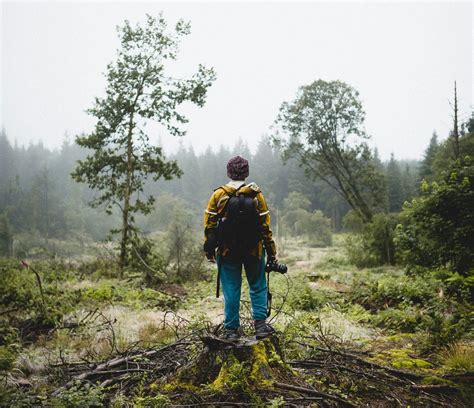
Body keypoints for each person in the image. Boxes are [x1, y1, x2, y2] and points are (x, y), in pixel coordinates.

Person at [203, 155, 278, 340]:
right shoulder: (256, 194)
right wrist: (272, 253)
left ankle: (231, 331)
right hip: (254, 250)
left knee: (231, 289)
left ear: (228, 172)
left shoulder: (218, 195)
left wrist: (209, 250)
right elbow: (265, 226)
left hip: (227, 251)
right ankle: (260, 326)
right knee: (258, 286)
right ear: (247, 173)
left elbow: (209, 225)